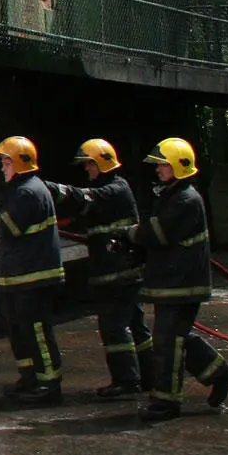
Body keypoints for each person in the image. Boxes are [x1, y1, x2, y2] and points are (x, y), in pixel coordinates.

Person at [132, 137, 228, 422]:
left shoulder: (184, 199)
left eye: (162, 165)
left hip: (181, 284)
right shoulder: (173, 194)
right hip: (174, 282)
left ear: (178, 167)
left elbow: (158, 233)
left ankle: (165, 403)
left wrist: (128, 234)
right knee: (175, 338)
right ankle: (219, 372)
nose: (158, 169)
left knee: (168, 343)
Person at [48, 139, 154, 398]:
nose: (87, 170)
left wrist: (47, 187)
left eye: (88, 166)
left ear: (100, 163)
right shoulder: (113, 189)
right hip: (123, 273)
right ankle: (150, 376)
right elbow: (85, 210)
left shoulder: (114, 190)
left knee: (114, 326)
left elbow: (84, 197)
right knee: (136, 326)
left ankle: (126, 380)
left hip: (117, 275)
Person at [0, 136, 65, 405]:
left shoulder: (28, 192)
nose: (2, 167)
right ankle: (30, 378)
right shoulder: (25, 189)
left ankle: (48, 384)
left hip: (33, 279)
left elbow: (7, 228)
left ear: (19, 163)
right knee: (19, 330)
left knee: (36, 331)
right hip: (20, 278)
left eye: (6, 162)